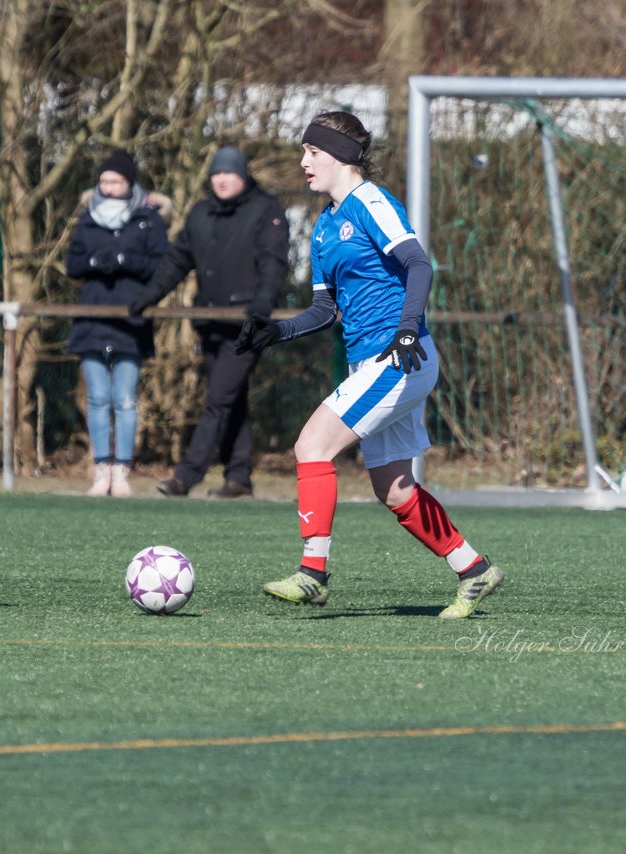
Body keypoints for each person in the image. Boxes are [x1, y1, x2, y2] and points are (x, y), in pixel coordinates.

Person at [236, 112, 504, 620]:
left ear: (339, 156)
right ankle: (474, 570)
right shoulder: (324, 226)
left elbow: (418, 264)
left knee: (311, 445)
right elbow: (323, 309)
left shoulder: (371, 203)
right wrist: (277, 331)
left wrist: (407, 329)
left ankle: (313, 574)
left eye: (312, 152)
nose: (303, 162)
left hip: (400, 354)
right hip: (373, 362)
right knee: (394, 488)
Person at [128, 146, 289, 499]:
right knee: (232, 398)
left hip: (248, 325)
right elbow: (176, 261)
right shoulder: (200, 214)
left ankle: (186, 476)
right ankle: (239, 477)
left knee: (218, 398)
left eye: (229, 173)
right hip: (211, 322)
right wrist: (148, 296)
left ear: (243, 176)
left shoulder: (266, 211)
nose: (221, 179)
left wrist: (263, 303)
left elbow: (272, 262)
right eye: (216, 173)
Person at [66, 149, 169, 497]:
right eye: (104, 181)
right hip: (92, 318)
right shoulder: (88, 218)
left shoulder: (148, 218)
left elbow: (160, 266)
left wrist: (127, 259)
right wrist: (96, 260)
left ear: (129, 183)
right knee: (97, 398)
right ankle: (101, 470)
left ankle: (122, 470)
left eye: (116, 181)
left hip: (131, 319)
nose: (108, 188)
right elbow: (73, 264)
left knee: (124, 398)